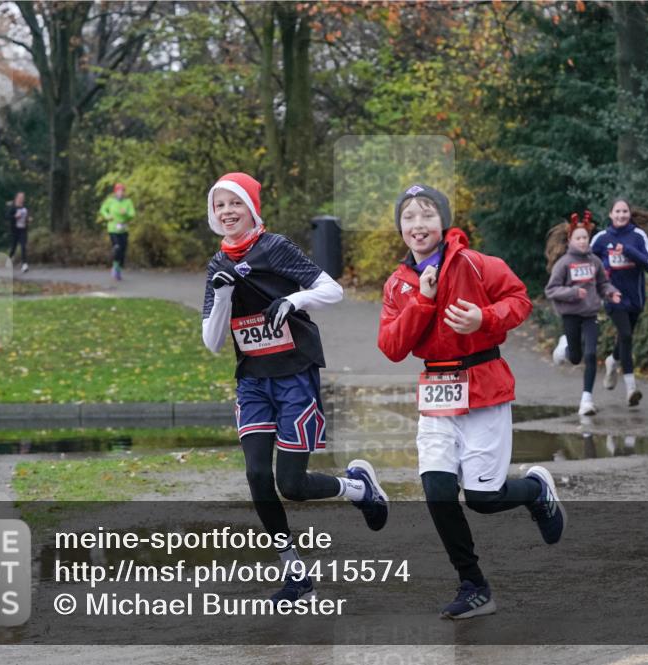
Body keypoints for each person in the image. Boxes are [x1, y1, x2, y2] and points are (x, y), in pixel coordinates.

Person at [377, 183, 566, 620]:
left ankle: (536, 491)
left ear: (442, 221)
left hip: (483, 387)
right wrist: (422, 300)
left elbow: (519, 300)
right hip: (436, 394)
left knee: (483, 498)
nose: (417, 224)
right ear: (400, 227)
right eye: (408, 216)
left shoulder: (474, 263)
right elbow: (391, 346)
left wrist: (486, 317)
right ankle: (474, 585)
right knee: (438, 492)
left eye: (427, 214)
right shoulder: (398, 284)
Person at [200, 172, 388, 604]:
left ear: (251, 208)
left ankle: (359, 489)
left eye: (235, 203)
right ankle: (295, 574)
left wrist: (294, 301)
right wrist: (224, 296)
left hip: (293, 377)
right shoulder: (217, 265)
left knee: (292, 483)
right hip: (252, 383)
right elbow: (211, 342)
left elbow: (332, 289)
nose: (227, 212)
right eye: (220, 205)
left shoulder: (275, 247)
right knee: (256, 475)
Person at [544, 211, 621, 416]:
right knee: (576, 358)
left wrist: (611, 293)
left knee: (591, 354)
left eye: (585, 238)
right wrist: (572, 292)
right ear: (570, 240)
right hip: (571, 314)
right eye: (578, 238)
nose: (582, 241)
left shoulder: (595, 261)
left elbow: (603, 284)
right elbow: (551, 290)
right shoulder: (564, 263)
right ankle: (565, 346)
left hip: (590, 314)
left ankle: (586, 399)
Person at [590, 198, 648, 406]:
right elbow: (584, 260)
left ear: (629, 214)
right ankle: (631, 389)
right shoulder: (601, 239)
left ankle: (612, 361)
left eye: (624, 212)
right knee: (627, 336)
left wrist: (629, 251)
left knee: (625, 337)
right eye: (617, 212)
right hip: (613, 297)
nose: (621, 215)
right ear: (610, 215)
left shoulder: (638, 236)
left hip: (636, 298)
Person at [99, 183, 135, 280]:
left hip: (123, 229)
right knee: (117, 247)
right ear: (115, 192)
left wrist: (126, 213)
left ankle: (118, 267)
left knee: (122, 251)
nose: (121, 193)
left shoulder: (128, 202)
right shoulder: (110, 201)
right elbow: (103, 209)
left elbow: (132, 214)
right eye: (119, 191)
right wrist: (107, 216)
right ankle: (115, 267)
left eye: (122, 191)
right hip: (113, 229)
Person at [5, 192, 29, 273]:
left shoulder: (25, 207)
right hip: (15, 230)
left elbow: (26, 217)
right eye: (20, 197)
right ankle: (9, 259)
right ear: (17, 198)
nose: (22, 199)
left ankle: (24, 264)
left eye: (23, 197)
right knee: (13, 247)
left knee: (23, 246)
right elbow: (7, 216)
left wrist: (28, 219)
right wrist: (14, 216)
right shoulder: (13, 207)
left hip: (23, 230)